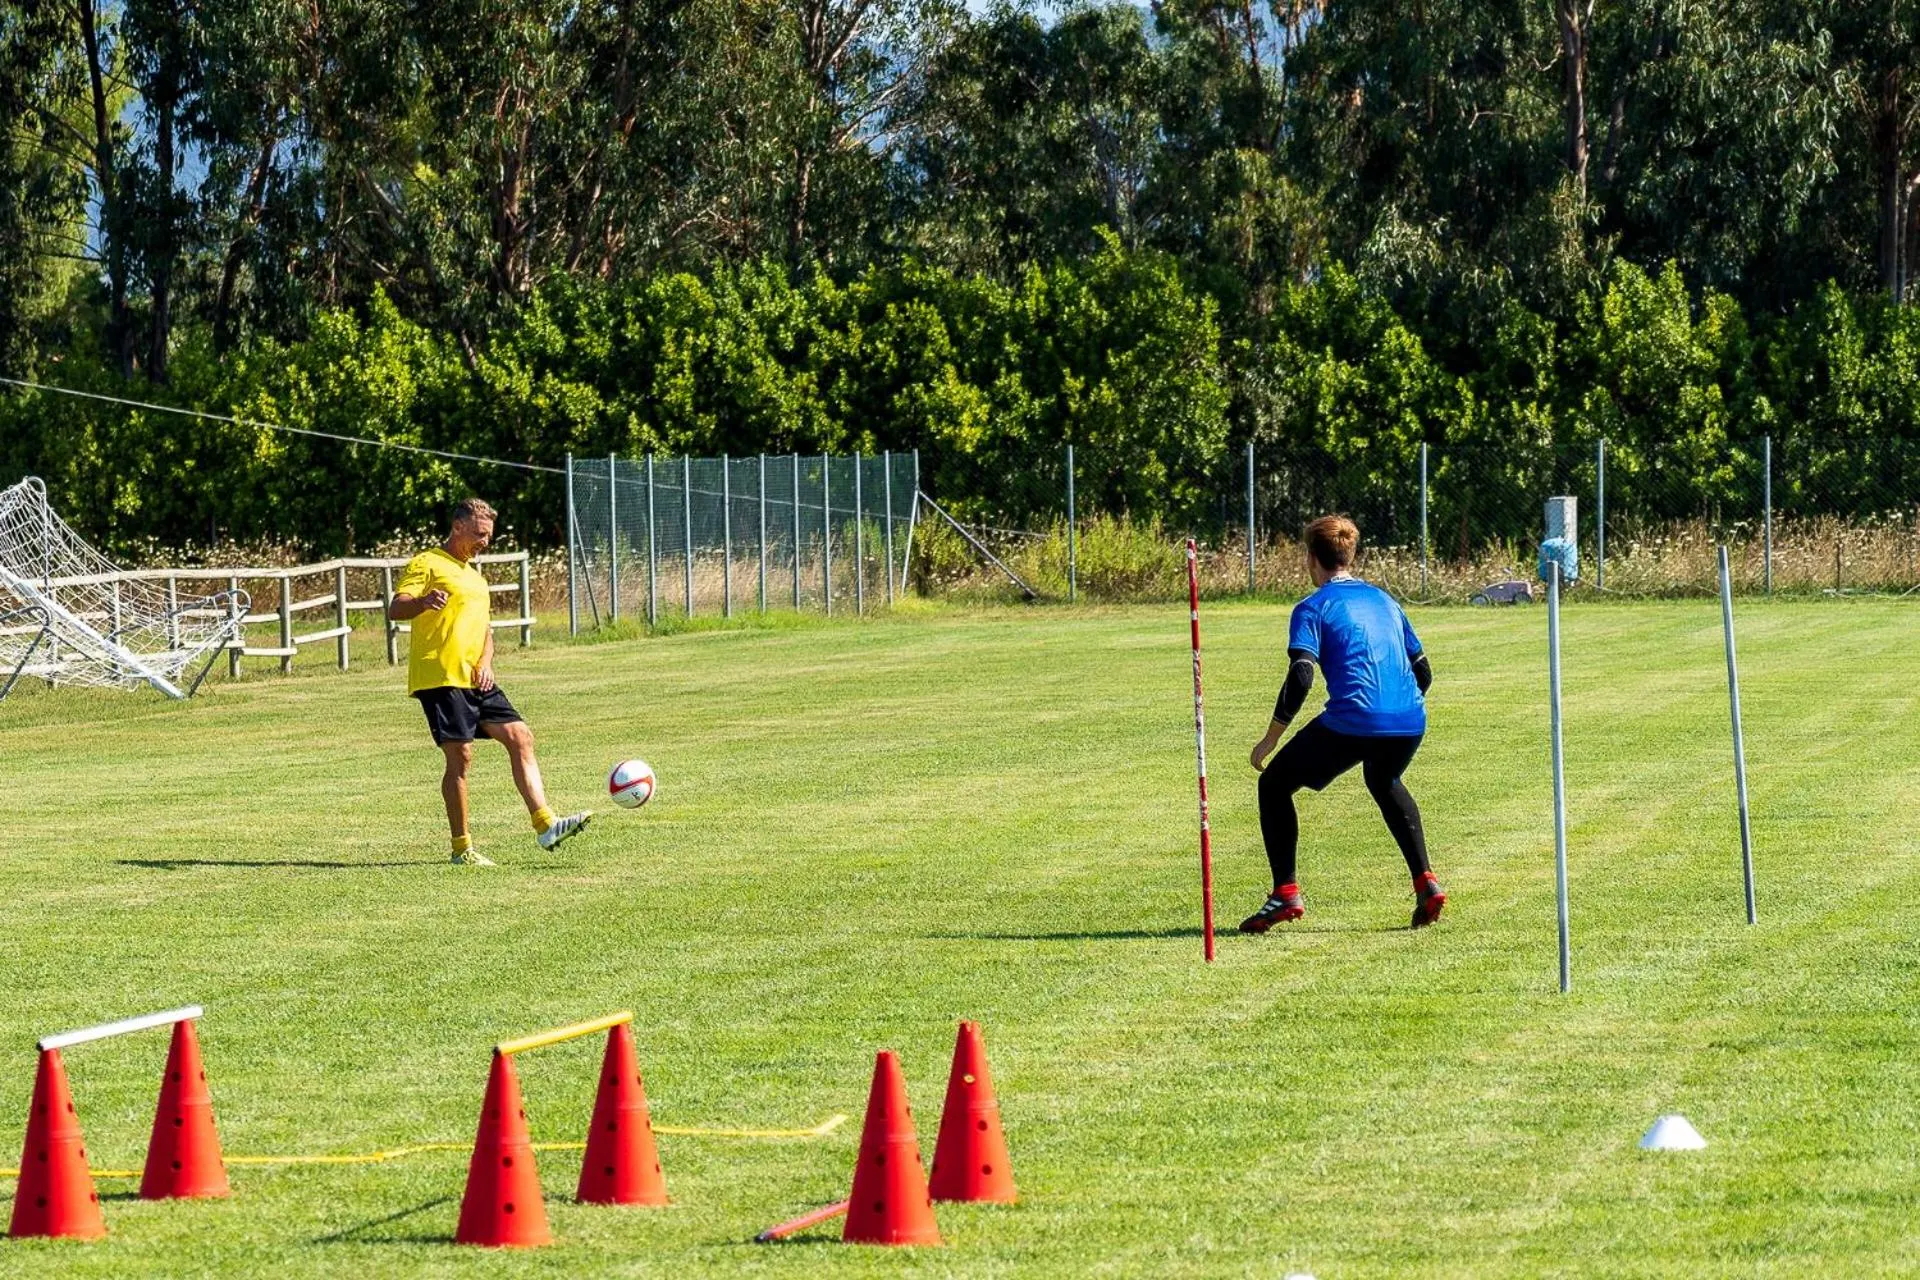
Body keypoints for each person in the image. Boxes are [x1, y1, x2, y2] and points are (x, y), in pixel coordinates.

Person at [1242, 514, 1444, 931]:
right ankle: (1426, 882)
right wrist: (1395, 709)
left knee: (1274, 785)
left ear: (1311, 559)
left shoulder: (1312, 607)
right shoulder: (1385, 601)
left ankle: (1285, 893)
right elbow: (1423, 672)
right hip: (1411, 719)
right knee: (1383, 779)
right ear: (1350, 555)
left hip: (1354, 719)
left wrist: (1270, 739)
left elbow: (1302, 675)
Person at [390, 498, 591, 866]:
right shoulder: (427, 563)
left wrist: (486, 663)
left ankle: (546, 825)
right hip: (441, 676)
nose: (485, 542)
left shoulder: (476, 578)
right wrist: (423, 602)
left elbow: (486, 632)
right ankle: (462, 849)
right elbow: (396, 607)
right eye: (480, 534)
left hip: (475, 677)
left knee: (520, 736)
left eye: (489, 536)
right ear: (457, 527)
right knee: (461, 758)